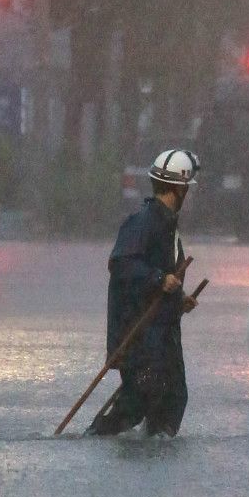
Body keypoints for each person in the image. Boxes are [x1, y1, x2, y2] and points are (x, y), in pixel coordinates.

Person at [87, 149, 201, 438]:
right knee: (139, 397)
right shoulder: (143, 222)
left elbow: (164, 275)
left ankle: (157, 448)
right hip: (141, 337)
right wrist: (159, 279)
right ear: (178, 189)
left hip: (163, 335)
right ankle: (98, 438)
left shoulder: (168, 227)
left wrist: (178, 299)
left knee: (173, 398)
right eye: (187, 188)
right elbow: (122, 263)